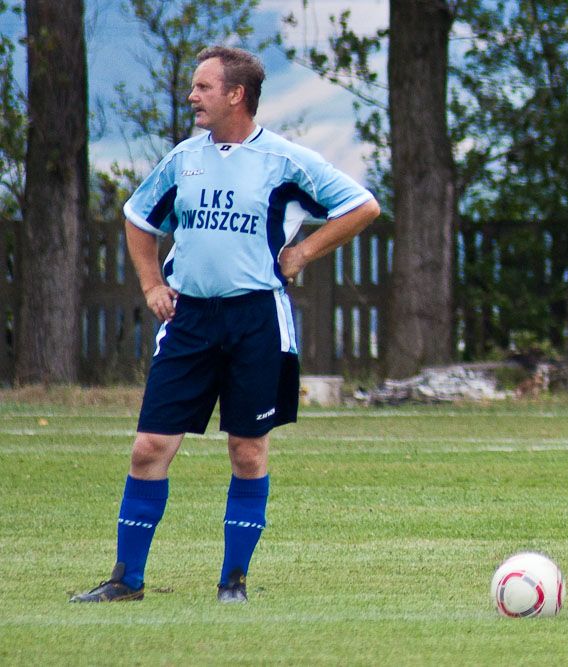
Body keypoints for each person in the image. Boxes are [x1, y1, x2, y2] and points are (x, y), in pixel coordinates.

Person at [70, 46, 380, 603]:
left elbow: (362, 206)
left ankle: (232, 582)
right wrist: (150, 285)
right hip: (189, 321)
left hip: (256, 320)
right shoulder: (183, 158)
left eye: (203, 88)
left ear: (236, 95)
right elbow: (138, 218)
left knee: (247, 451)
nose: (192, 96)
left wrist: (304, 251)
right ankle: (125, 580)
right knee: (149, 447)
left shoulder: (285, 160)